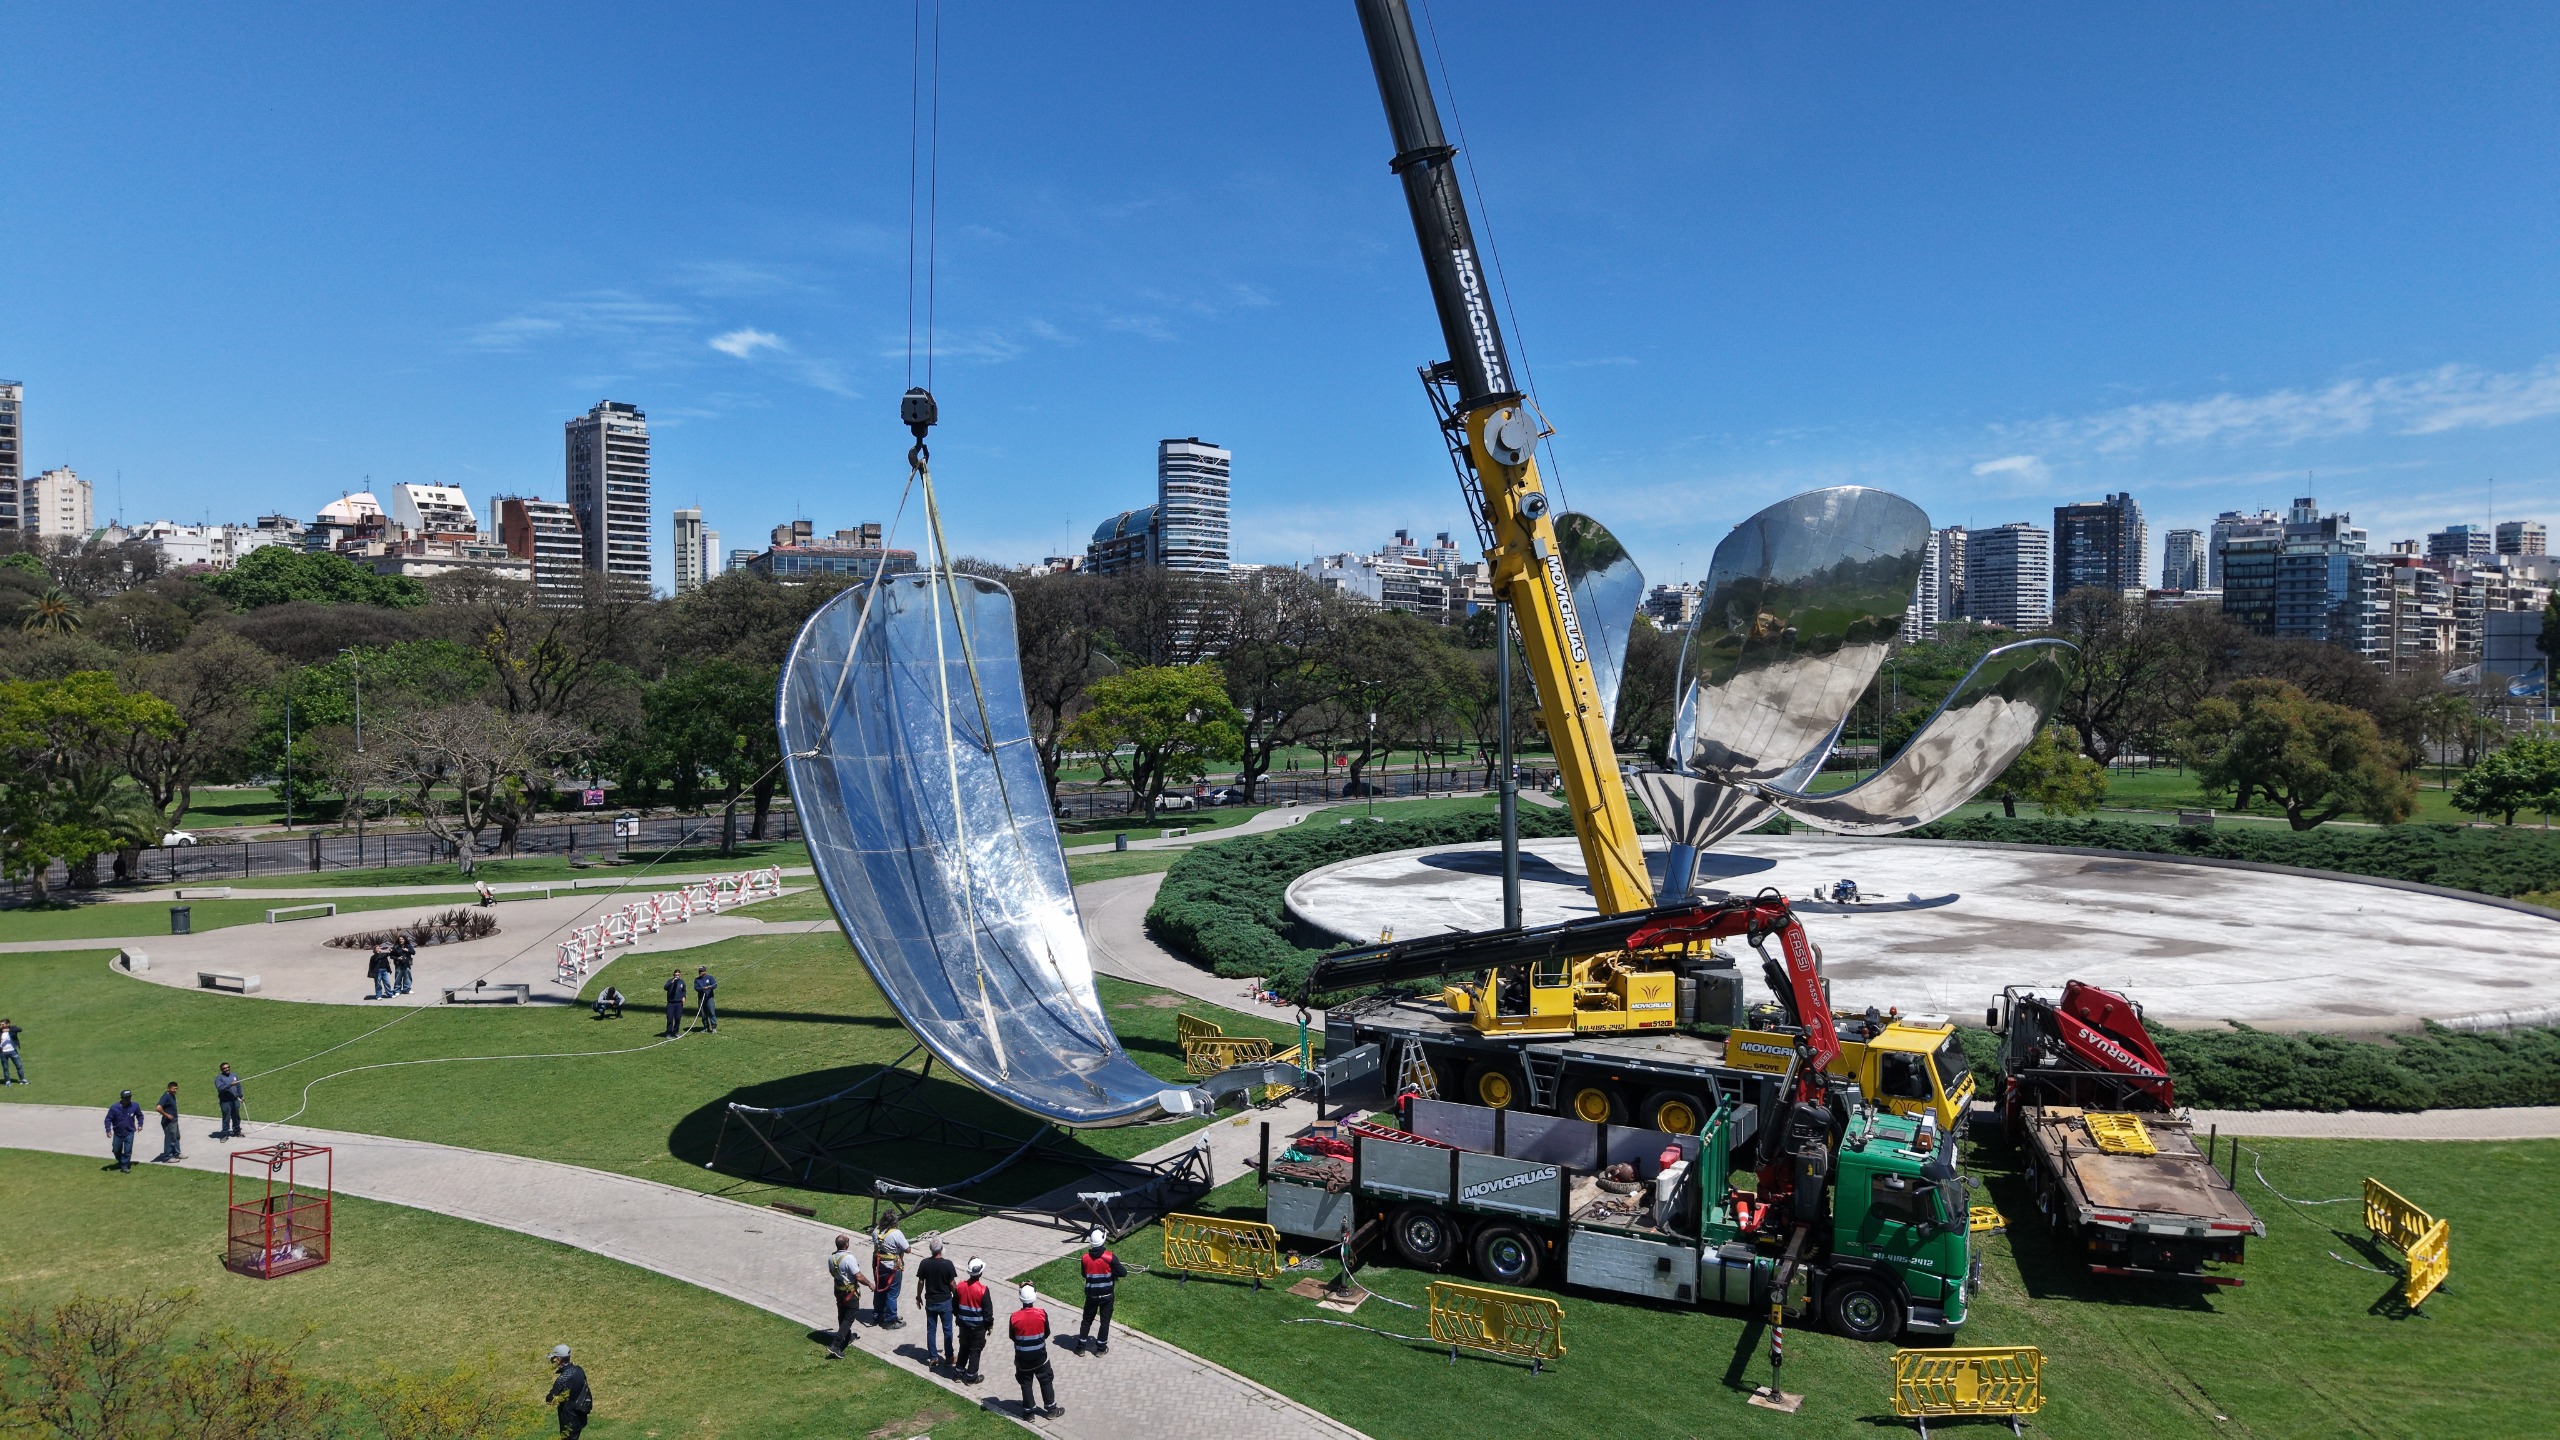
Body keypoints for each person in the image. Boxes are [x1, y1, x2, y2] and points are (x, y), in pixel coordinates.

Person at [1008, 1284, 1062, 1418]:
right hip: (1040, 1357)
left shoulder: (1014, 1317)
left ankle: (1029, 1412)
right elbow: (1047, 1332)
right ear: (1034, 1297)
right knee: (1046, 1380)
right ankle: (1051, 1410)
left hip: (1022, 1358)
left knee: (1026, 1383)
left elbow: (1012, 1336)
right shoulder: (1042, 1314)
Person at [1075, 1227, 1127, 1355]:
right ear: (1103, 1240)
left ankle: (1081, 1347)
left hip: (1091, 1295)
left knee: (1086, 1320)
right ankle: (1100, 1349)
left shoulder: (1085, 1257)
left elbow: (1084, 1274)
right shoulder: (1110, 1257)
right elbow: (1123, 1273)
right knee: (1105, 1322)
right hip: (1107, 1296)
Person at [824, 1234, 872, 1359]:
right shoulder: (849, 1258)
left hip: (838, 1290)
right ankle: (836, 1345)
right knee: (849, 1317)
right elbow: (859, 1276)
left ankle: (848, 1336)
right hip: (849, 1292)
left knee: (841, 1313)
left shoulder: (832, 1257)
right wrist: (870, 1285)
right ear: (846, 1244)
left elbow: (832, 1272)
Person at [916, 1236, 958, 1367]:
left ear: (930, 1249)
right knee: (947, 1331)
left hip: (931, 1302)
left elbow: (921, 1282)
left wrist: (918, 1296)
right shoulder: (948, 1264)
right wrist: (957, 1297)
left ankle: (933, 1357)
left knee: (931, 1330)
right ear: (942, 1248)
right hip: (945, 1302)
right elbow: (952, 1283)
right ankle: (949, 1357)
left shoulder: (924, 1263)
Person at [951, 1258, 992, 1383]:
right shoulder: (983, 1290)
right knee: (975, 1350)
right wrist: (989, 1325)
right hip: (978, 1328)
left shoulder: (960, 1286)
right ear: (980, 1273)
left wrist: (959, 1317)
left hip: (963, 1326)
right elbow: (988, 1312)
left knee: (963, 1347)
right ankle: (972, 1376)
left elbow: (954, 1306)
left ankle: (958, 1372)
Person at [545, 1344, 593, 1438]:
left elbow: (549, 1399)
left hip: (569, 1419)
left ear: (558, 1359)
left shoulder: (562, 1379)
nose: (552, 1361)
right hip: (580, 1415)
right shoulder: (579, 1370)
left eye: (553, 1359)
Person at [872, 1225, 908, 1328]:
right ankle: (891, 1320)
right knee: (892, 1293)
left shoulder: (876, 1231)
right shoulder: (896, 1233)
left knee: (880, 1291)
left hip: (879, 1265)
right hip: (893, 1267)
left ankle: (877, 1315)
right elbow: (907, 1249)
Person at [104, 1090, 144, 1171]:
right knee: (116, 1149)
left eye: (129, 1097)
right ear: (122, 1098)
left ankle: (124, 1166)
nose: (128, 1099)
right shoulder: (114, 1108)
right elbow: (108, 1119)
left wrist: (140, 1124)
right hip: (118, 1133)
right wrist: (108, 1130)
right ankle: (122, 1161)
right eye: (126, 1098)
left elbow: (140, 1115)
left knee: (128, 1150)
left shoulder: (135, 1106)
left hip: (129, 1132)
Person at [152, 1081, 183, 1163]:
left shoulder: (172, 1096)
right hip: (168, 1122)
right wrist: (167, 1115)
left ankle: (177, 1153)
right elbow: (158, 1108)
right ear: (168, 1088)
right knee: (169, 1139)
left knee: (176, 1137)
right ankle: (167, 1157)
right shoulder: (166, 1096)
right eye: (173, 1089)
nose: (175, 1090)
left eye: (176, 1089)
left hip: (174, 1121)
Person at [214, 1063, 245, 1139]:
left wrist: (241, 1095)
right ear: (221, 1070)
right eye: (224, 1068)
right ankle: (225, 1134)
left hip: (234, 1100)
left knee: (236, 1116)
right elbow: (220, 1088)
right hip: (225, 1101)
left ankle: (237, 1131)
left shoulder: (234, 1075)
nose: (227, 1069)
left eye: (228, 1067)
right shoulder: (219, 1078)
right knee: (226, 1118)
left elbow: (238, 1086)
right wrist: (230, 1085)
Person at [661, 969, 687, 1038]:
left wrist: (684, 997)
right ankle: (668, 1032)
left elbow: (684, 990)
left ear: (680, 975)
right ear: (673, 975)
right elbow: (665, 987)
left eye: (678, 975)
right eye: (676, 975)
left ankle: (676, 1032)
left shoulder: (682, 982)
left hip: (679, 1003)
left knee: (678, 1018)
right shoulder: (670, 981)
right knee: (670, 1018)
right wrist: (672, 982)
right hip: (671, 1003)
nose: (677, 976)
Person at [692, 966, 717, 1032]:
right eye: (700, 971)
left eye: (702, 971)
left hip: (709, 998)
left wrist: (710, 986)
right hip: (701, 998)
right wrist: (703, 988)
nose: (701, 972)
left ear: (705, 971)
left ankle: (714, 1027)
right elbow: (696, 988)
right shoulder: (697, 979)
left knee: (711, 1012)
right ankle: (706, 1027)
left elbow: (715, 985)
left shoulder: (710, 978)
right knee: (703, 1013)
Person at [0, 1018, 23, 1085]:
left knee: (19, 1065)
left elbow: (19, 1029)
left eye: (3, 1024)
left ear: (7, 1024)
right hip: (3, 1052)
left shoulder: (12, 1028)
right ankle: (7, 1081)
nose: (2, 1025)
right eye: (1, 1024)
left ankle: (22, 1079)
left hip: (13, 1051)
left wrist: (8, 1030)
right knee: (5, 1067)